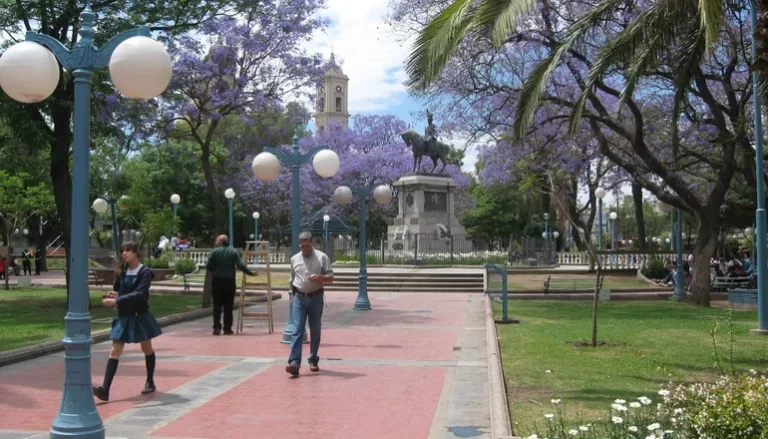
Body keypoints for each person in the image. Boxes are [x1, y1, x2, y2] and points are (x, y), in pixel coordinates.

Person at [92, 241, 162, 402]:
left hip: (140, 315)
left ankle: (150, 381)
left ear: (136, 252)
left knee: (147, 348)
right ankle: (105, 390)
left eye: (128, 250)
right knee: (115, 351)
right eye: (123, 250)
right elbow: (120, 290)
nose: (125, 253)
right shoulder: (122, 271)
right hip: (124, 316)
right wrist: (114, 294)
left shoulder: (145, 272)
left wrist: (117, 301)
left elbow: (139, 293)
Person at [286, 231, 334, 377]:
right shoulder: (294, 259)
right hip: (299, 298)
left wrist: (319, 277)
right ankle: (294, 362)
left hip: (316, 297)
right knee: (297, 329)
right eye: (303, 246)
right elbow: (292, 278)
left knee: (315, 329)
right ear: (299, 245)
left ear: (312, 243)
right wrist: (292, 295)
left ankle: (313, 358)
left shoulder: (322, 257)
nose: (305, 249)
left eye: (308, 246)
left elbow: (331, 277)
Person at [205, 235, 256, 335]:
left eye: (217, 240)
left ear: (221, 242)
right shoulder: (233, 252)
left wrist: (215, 270)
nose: (216, 242)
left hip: (217, 281)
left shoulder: (214, 252)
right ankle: (227, 328)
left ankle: (216, 328)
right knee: (228, 306)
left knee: (217, 306)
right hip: (229, 281)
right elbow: (240, 265)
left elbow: (208, 266)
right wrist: (251, 273)